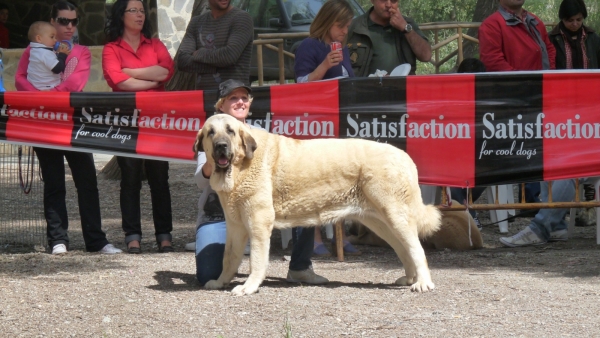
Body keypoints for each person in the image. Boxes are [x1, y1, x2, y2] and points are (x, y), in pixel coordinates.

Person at [195, 79, 328, 285]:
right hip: (219, 215)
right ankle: (231, 262)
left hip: (257, 207)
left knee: (305, 202)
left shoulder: (260, 134)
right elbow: (201, 182)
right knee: (207, 276)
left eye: (244, 98)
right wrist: (218, 157)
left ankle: (299, 268)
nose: (240, 102)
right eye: (233, 98)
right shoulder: (211, 131)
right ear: (221, 105)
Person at [15, 1, 121, 255]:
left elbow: (75, 82)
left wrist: (46, 99)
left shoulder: (81, 51)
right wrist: (44, 102)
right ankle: (57, 239)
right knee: (53, 183)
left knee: (86, 182)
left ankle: (96, 240)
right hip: (45, 125)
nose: (69, 26)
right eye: (64, 21)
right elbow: (20, 79)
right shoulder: (35, 48)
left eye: (73, 22)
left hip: (75, 124)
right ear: (52, 22)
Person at [500, 0, 599, 247]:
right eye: (570, 20)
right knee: (553, 162)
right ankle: (554, 225)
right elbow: (549, 70)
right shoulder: (552, 40)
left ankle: (542, 227)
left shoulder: (594, 39)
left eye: (579, 20)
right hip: (563, 110)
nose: (575, 24)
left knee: (566, 168)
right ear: (562, 20)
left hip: (591, 113)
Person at [178, 0, 253, 253]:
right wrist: (214, 58)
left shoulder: (241, 19)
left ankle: (243, 233)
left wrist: (200, 55)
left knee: (239, 165)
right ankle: (208, 228)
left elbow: (231, 55)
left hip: (233, 100)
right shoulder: (198, 22)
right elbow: (182, 60)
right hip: (207, 103)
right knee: (209, 166)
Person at [102, 0, 175, 254]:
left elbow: (166, 72)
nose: (139, 15)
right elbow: (117, 81)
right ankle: (132, 235)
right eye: (133, 10)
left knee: (160, 178)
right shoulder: (111, 48)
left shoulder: (155, 44)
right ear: (121, 15)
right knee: (130, 179)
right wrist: (150, 79)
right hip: (126, 121)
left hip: (156, 121)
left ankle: (164, 236)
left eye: (142, 10)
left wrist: (131, 71)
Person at [293, 0, 360, 257]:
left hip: (339, 122)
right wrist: (324, 66)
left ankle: (339, 236)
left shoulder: (340, 48)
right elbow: (299, 84)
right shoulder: (309, 46)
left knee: (339, 179)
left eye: (347, 26)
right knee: (315, 180)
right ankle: (315, 237)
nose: (344, 31)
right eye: (340, 25)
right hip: (315, 123)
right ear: (327, 21)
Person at [175, 0, 253, 90]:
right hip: (204, 97)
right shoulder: (196, 22)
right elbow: (182, 61)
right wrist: (219, 66)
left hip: (234, 98)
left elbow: (229, 56)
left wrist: (200, 53)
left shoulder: (241, 18)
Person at [346, 0, 432, 77]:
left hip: (402, 91)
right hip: (365, 92)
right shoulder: (354, 27)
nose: (388, 4)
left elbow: (426, 56)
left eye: (393, 0)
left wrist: (405, 28)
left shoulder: (407, 24)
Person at [26, 21, 71, 91]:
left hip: (35, 85)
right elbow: (57, 69)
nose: (55, 40)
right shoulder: (45, 53)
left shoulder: (34, 51)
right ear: (39, 39)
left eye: (55, 37)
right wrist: (63, 54)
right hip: (47, 87)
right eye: (52, 37)